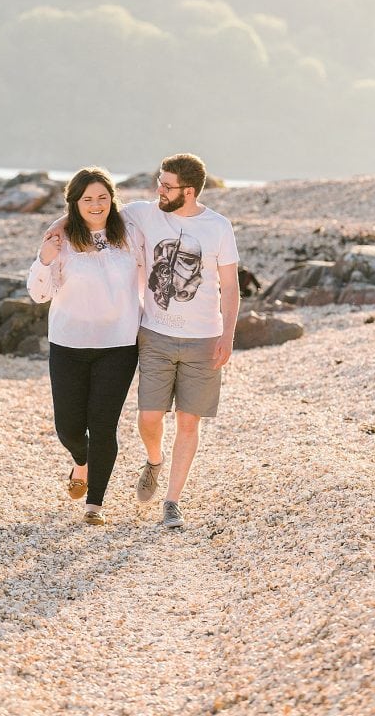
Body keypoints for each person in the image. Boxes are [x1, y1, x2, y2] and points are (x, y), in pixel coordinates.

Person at [123, 153, 240, 530]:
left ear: (188, 191)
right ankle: (154, 460)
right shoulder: (147, 212)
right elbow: (98, 210)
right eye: (159, 181)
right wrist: (58, 227)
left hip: (203, 341)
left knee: (189, 423)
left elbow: (231, 287)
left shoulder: (218, 226)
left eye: (167, 185)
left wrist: (227, 335)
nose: (159, 189)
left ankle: (172, 502)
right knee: (150, 416)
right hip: (155, 335)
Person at [27, 167, 144, 527]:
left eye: (103, 198)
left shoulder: (131, 231)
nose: (96, 205)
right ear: (74, 203)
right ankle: (81, 461)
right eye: (87, 199)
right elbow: (38, 294)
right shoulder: (59, 238)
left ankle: (94, 505)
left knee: (104, 426)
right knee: (69, 428)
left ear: (113, 199)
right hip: (69, 343)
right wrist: (44, 258)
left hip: (120, 344)